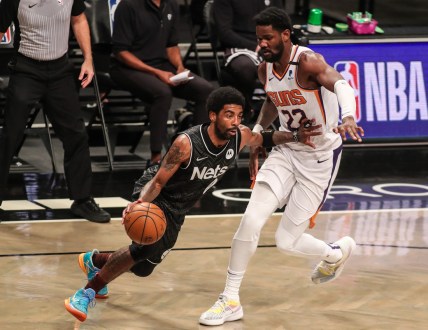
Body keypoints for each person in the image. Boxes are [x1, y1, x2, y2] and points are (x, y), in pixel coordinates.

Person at [63, 86, 322, 322]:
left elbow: (264, 138)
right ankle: (86, 294)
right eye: (228, 115)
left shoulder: (239, 136)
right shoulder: (186, 144)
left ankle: (95, 260)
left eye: (239, 115)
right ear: (212, 115)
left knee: (143, 269)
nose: (235, 121)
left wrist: (297, 135)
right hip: (157, 197)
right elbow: (158, 182)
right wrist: (139, 204)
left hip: (179, 209)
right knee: (143, 250)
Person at [199, 8, 365, 326]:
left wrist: (348, 115)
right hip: (287, 152)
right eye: (258, 38)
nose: (261, 43)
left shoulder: (307, 62)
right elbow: (273, 101)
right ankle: (230, 299)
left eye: (267, 37)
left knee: (287, 241)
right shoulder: (264, 70)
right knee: (250, 220)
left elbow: (341, 84)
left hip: (319, 158)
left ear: (285, 35)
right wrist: (259, 134)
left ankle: (335, 253)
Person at [0, 0, 110, 223]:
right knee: (10, 135)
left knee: (76, 134)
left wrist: (88, 60)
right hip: (26, 69)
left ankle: (82, 200)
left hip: (60, 71)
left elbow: (78, 20)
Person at [110, 0, 215, 165]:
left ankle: (196, 152)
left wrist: (180, 67)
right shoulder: (128, 5)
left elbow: (171, 46)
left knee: (205, 89)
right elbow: (121, 52)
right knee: (162, 93)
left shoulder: (171, 5)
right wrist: (156, 73)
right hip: (127, 68)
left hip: (162, 64)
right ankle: (156, 158)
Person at [212, 0, 284, 122]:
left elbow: (282, 25)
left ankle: (284, 113)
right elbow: (224, 33)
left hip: (270, 45)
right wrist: (255, 46)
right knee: (244, 67)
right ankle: (247, 110)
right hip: (241, 45)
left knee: (294, 63)